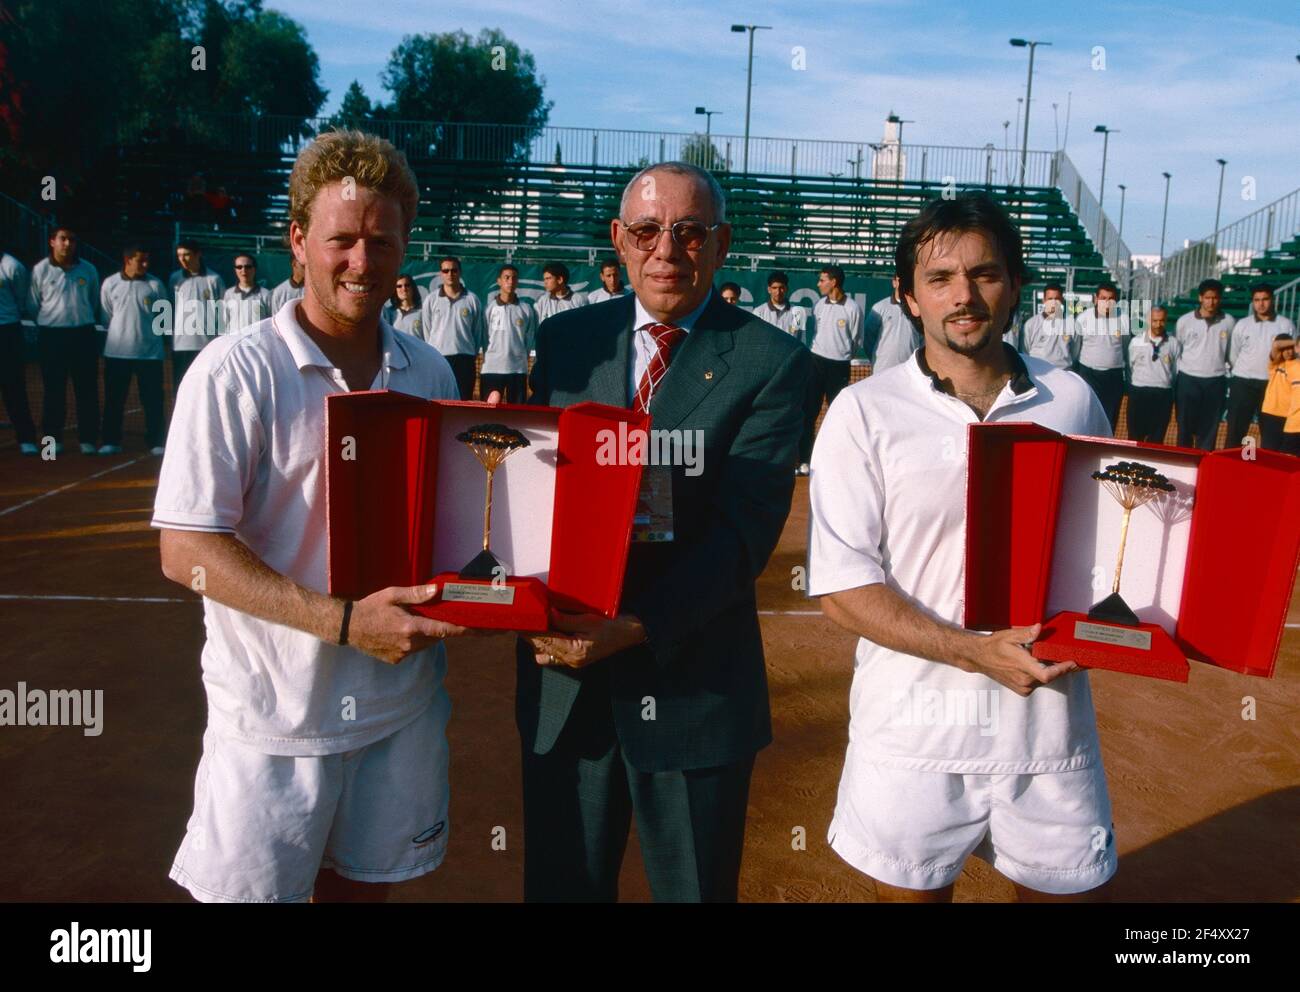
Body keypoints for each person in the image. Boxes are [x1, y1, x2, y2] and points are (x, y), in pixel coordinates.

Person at [153, 129, 471, 904]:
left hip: (400, 708)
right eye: (342, 240)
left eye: (382, 242)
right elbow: (185, 550)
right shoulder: (233, 372)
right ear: (298, 240)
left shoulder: (427, 369)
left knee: (365, 896)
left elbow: (445, 528)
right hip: (273, 726)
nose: (363, 262)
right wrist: (341, 623)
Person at [808, 191, 1116, 904]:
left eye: (984, 274)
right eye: (939, 278)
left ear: (1015, 286)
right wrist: (971, 650)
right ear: (906, 296)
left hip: (1046, 730)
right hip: (910, 735)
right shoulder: (863, 411)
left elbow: (1108, 557)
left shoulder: (1072, 401)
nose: (964, 296)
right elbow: (843, 587)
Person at [519, 160, 809, 902]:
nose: (666, 250)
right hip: (568, 682)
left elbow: (741, 536)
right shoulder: (565, 343)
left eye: (689, 232)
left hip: (693, 687)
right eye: (647, 230)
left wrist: (635, 626)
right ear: (619, 239)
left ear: (721, 244)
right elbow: (532, 495)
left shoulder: (769, 362)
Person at [29, 226, 101, 454]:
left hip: (83, 335)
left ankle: (88, 440)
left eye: (72, 239)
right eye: (62, 239)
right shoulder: (40, 270)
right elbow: (33, 304)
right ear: (52, 241)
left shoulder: (88, 269)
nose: (67, 244)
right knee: (53, 391)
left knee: (87, 389)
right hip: (52, 336)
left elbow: (94, 300)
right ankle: (52, 440)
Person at [99, 244, 167, 455]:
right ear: (127, 260)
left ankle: (156, 441)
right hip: (116, 354)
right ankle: (111, 441)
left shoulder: (155, 285)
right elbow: (106, 315)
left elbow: (162, 320)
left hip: (150, 355)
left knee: (153, 401)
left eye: (147, 260)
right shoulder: (110, 283)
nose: (145, 264)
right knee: (114, 400)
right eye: (141, 260)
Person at [799, 264, 863, 476]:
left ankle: (835, 461)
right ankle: (804, 459)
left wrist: (842, 355)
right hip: (816, 362)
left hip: (839, 366)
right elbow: (816, 333)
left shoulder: (853, 308)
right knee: (809, 413)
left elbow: (856, 340)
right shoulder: (818, 306)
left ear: (833, 282)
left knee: (837, 415)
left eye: (822, 280)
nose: (819, 284)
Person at [1226, 283, 1294, 448]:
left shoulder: (1286, 325)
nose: (1261, 304)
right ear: (1253, 302)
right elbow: (1233, 355)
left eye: (1265, 299)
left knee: (1271, 432)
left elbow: (1290, 357)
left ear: (1272, 300)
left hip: (1271, 386)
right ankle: (1231, 466)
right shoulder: (1242, 324)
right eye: (1257, 300)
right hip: (1243, 382)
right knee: (1236, 431)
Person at [1174, 278, 1235, 450]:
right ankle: (1182, 461)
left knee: (1209, 430)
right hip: (1188, 380)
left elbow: (1230, 352)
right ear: (1200, 298)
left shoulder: (1229, 321)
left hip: (1215, 381)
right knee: (1184, 428)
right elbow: (1178, 349)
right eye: (1208, 297)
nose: (1211, 301)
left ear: (1220, 299)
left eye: (1215, 297)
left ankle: (1204, 465)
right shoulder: (1185, 321)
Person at [420, 254, 483, 400]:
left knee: (464, 402)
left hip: (464, 359)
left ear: (460, 272)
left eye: (454, 270)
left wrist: (469, 351)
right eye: (446, 271)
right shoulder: (431, 300)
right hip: (438, 358)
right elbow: (427, 329)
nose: (450, 274)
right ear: (440, 274)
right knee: (437, 400)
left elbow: (477, 332)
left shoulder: (472, 299)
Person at [1073, 282, 1129, 431]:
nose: (1107, 302)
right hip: (1088, 374)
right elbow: (1076, 348)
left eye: (1111, 298)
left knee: (1110, 419)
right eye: (1103, 298)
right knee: (1087, 414)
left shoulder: (1124, 319)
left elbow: (1126, 348)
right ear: (1096, 299)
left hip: (1113, 375)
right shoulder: (1083, 318)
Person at [169, 240, 224, 384]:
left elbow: (222, 312)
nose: (182, 259)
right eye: (179, 255)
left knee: (205, 386)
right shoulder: (174, 279)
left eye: (186, 254)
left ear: (198, 254)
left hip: (206, 345)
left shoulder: (214, 279)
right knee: (180, 387)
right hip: (180, 345)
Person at [1125, 305, 1180, 444]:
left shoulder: (1173, 343)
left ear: (1166, 320)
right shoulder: (1136, 342)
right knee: (1134, 436)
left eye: (1161, 320)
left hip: (1163, 394)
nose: (1158, 324)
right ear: (1148, 321)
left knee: (1156, 438)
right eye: (1154, 320)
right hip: (1139, 392)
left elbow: (1175, 370)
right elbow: (1129, 367)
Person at [481, 263, 536, 403]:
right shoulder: (488, 309)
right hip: (492, 369)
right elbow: (484, 337)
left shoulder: (526, 309)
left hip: (517, 370)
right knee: (488, 413)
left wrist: (520, 356)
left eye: (514, 278)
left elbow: (528, 339)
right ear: (499, 281)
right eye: (506, 278)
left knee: (517, 414)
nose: (510, 281)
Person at [0, 248, 36, 454]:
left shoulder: (12, 266)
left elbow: (21, 298)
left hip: (7, 332)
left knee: (14, 388)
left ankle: (26, 439)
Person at [867, 274, 921, 373]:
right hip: (882, 369)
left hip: (909, 370)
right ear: (894, 283)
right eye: (900, 280)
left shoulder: (918, 309)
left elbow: (922, 339)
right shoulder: (879, 307)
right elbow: (868, 339)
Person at [1020, 283, 1078, 370]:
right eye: (1050, 299)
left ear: (1062, 300)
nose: (1053, 302)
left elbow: (1075, 351)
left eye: (1057, 299)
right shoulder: (1031, 324)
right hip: (1038, 371)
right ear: (1043, 300)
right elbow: (1025, 351)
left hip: (1063, 371)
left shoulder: (1071, 324)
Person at [1260, 334, 1297, 451]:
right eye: (1285, 349)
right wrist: (1296, 341)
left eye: (1291, 348)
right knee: (1269, 451)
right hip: (1271, 414)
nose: (1289, 352)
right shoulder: (1275, 364)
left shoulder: (1297, 365)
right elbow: (1276, 345)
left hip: (1290, 418)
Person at [221, 253, 273, 334]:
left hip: (257, 345)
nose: (243, 270)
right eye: (239, 267)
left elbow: (271, 324)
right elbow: (224, 323)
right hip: (235, 343)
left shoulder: (266, 294)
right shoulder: (228, 294)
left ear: (254, 269)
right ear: (235, 270)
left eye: (248, 267)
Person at [750, 270, 803, 339]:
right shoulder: (758, 312)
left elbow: (801, 337)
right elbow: (755, 337)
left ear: (786, 289)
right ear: (769, 289)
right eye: (774, 288)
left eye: (781, 288)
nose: (778, 292)